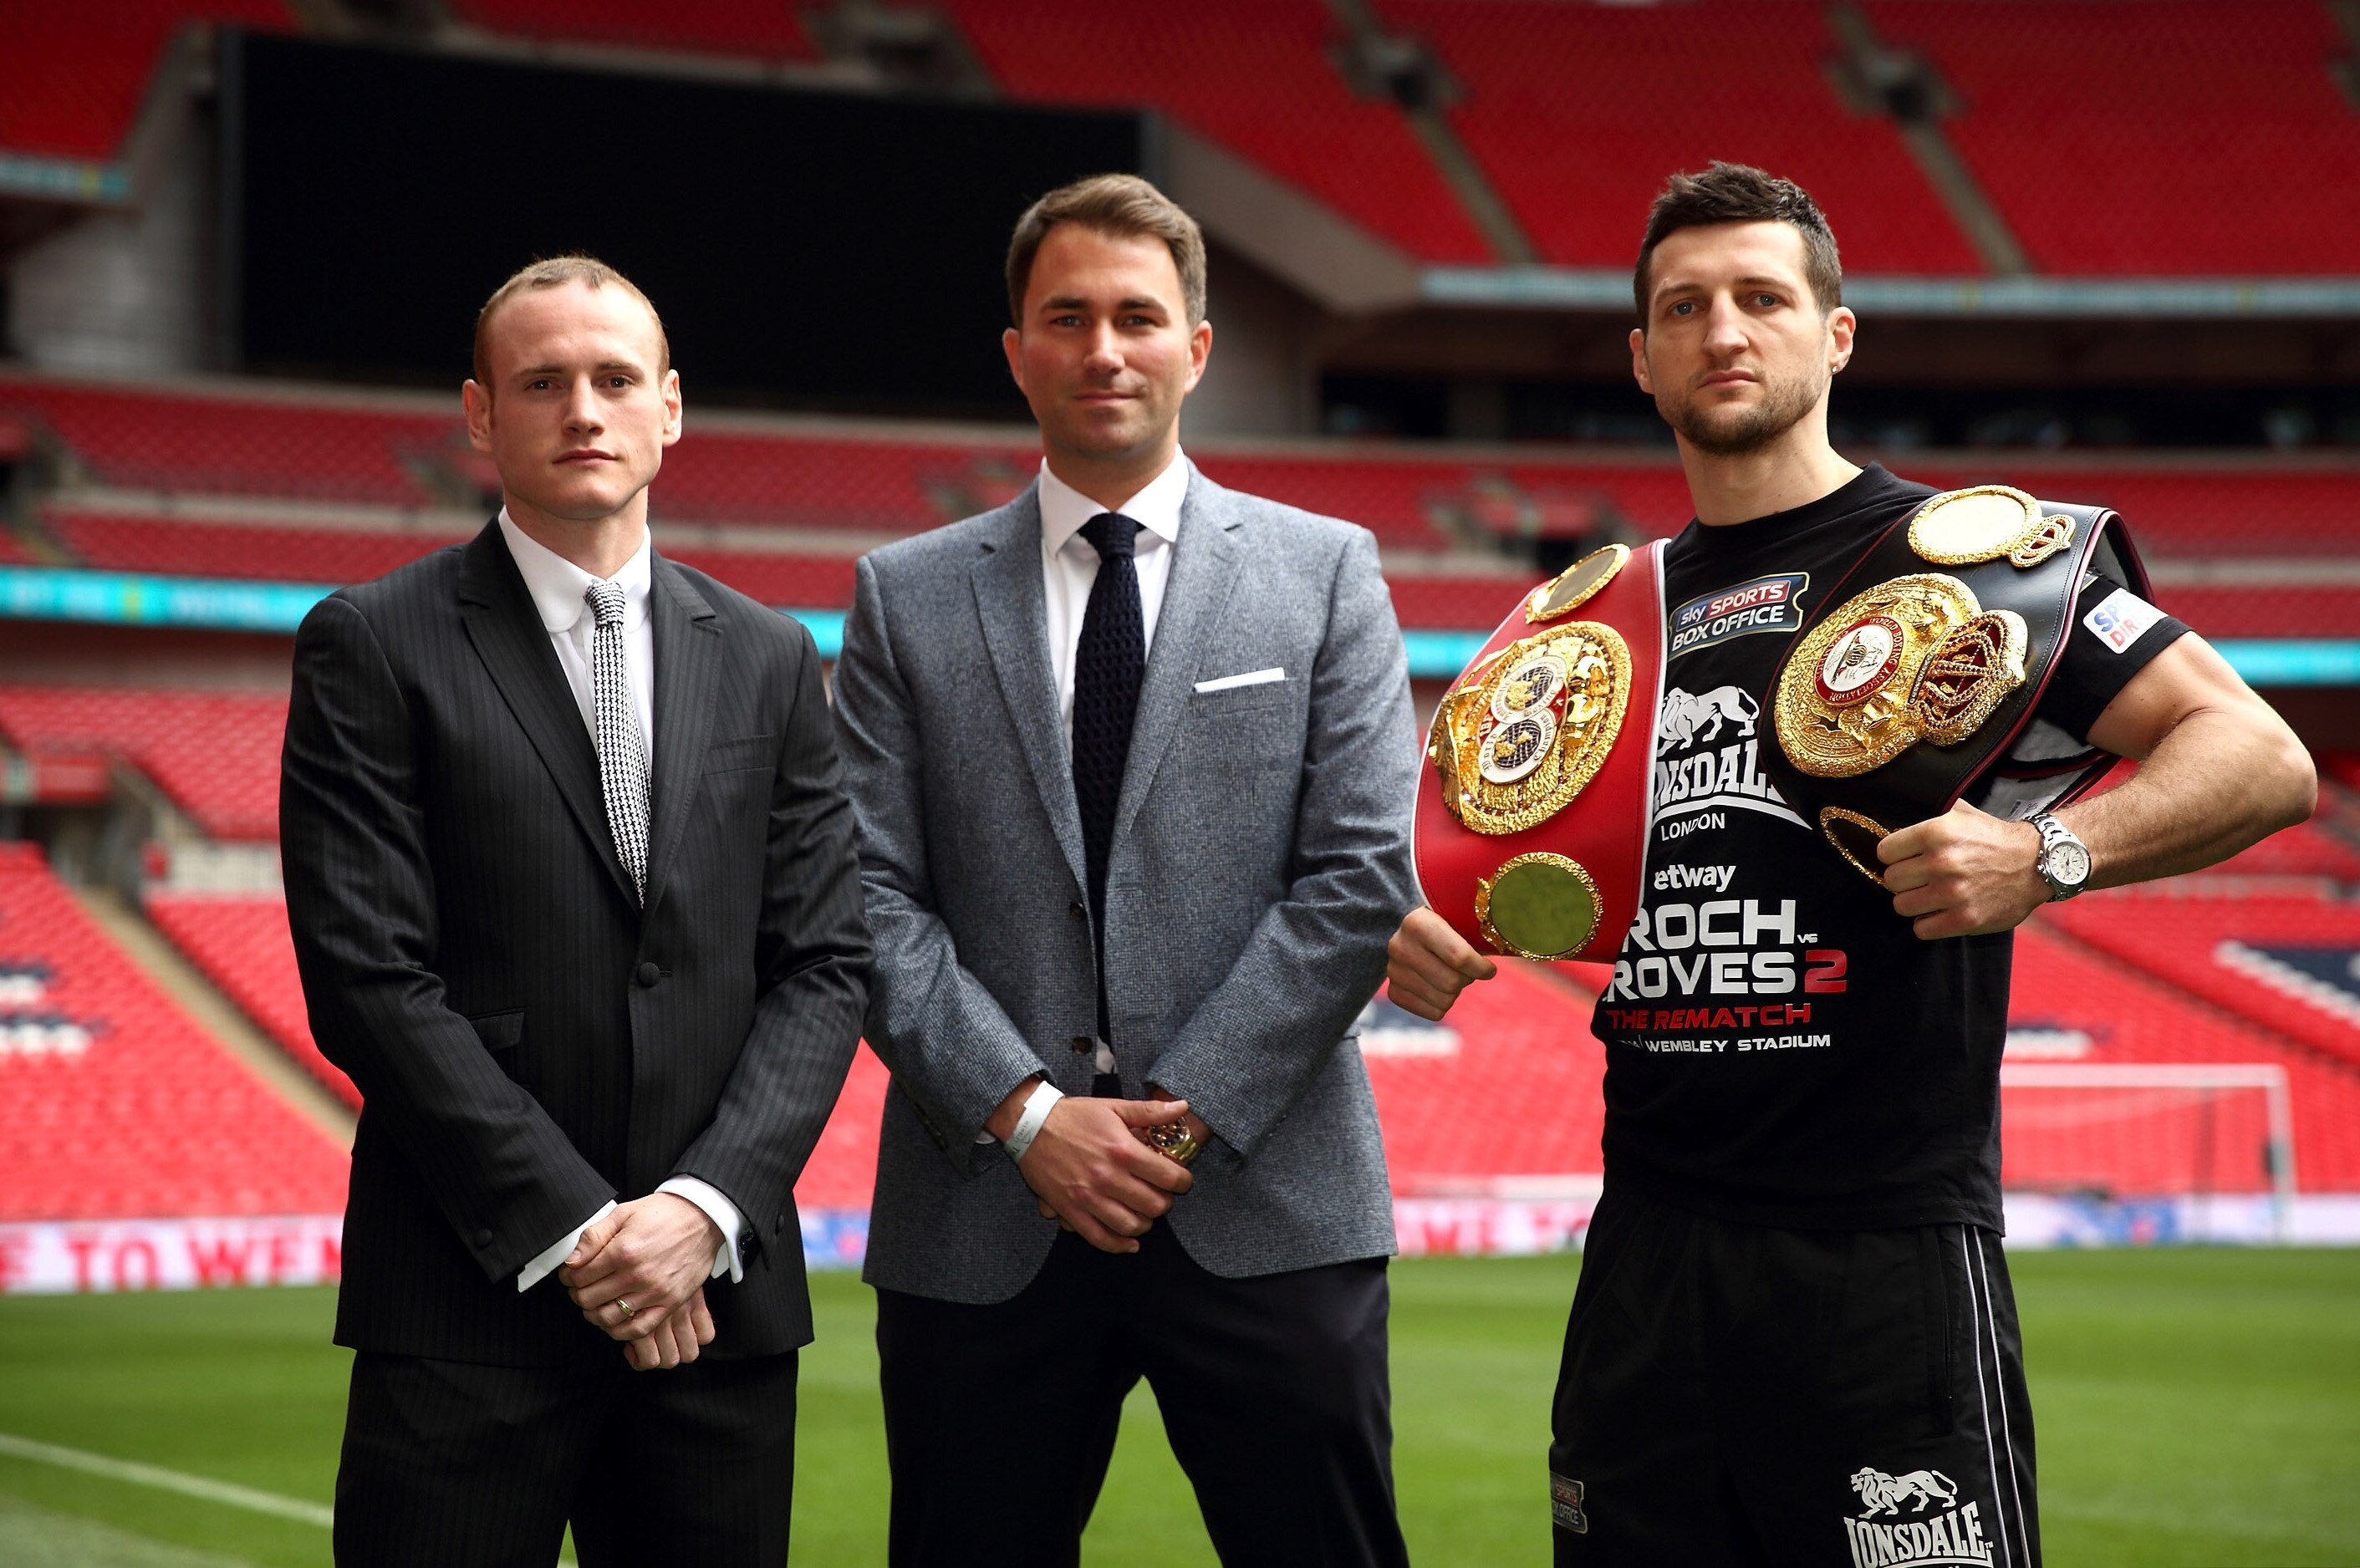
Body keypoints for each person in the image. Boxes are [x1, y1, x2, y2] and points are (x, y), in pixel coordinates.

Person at [1385, 164, 2317, 1566]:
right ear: (1641, 359)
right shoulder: (1593, 625)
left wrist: (2045, 851)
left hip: (1880, 1252)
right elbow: (1494, 870)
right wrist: (1431, 928)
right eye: (1684, 307)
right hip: (1645, 1254)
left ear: (1836, 336)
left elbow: (2262, 756)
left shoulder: (1975, 568)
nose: (1723, 330)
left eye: (1762, 298)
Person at [830, 173, 1419, 1567]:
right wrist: (1031, 1115)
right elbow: (862, 896)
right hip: (985, 1209)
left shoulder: (1325, 571)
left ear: (1196, 348)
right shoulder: (903, 594)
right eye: (1068, 317)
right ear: (1017, 351)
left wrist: (1174, 1121)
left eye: (1139, 318)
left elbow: (1357, 876)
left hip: (1271, 1201)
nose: (1104, 349)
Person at [281, 255, 871, 1567]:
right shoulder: (372, 642)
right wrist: (586, 1230)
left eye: (615, 379)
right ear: (481, 415)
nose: (585, 410)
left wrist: (701, 1209)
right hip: (468, 1306)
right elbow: (367, 976)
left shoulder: (772, 654)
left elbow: (826, 962)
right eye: (543, 383)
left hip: (717, 1309)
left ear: (671, 408)